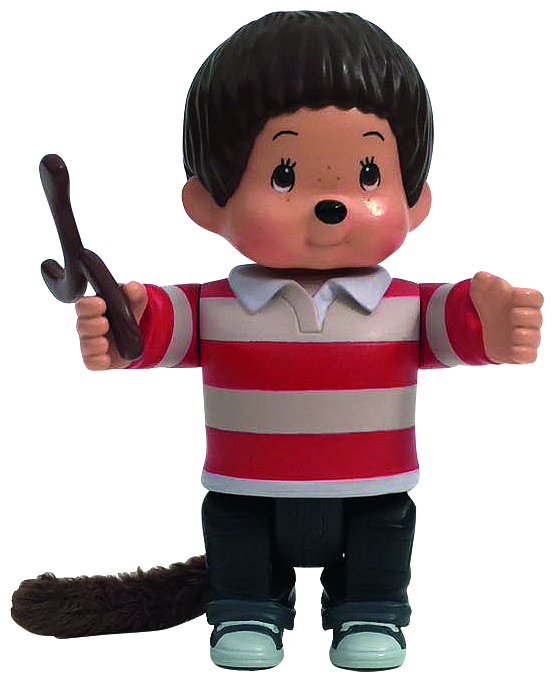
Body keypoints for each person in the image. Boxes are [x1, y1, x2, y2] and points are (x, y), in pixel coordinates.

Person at [70, 11, 543, 670]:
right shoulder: (214, 305)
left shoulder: (407, 304)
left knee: (383, 537)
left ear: (415, 200)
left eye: (369, 174)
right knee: (237, 536)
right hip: (247, 487)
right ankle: (247, 605)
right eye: (285, 175)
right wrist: (122, 328)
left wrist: (492, 324)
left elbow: (458, 324)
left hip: (372, 487)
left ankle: (370, 608)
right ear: (209, 201)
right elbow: (153, 328)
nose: (332, 203)